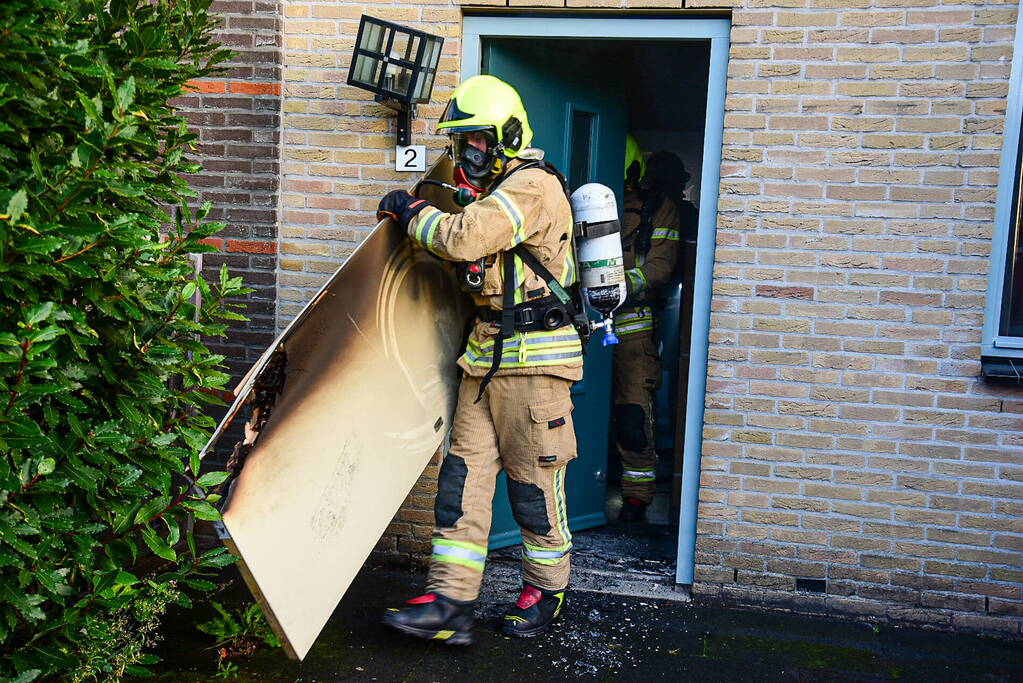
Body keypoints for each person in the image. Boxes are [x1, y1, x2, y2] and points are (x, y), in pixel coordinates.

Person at [375, 75, 580, 645]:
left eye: (478, 143)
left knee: (533, 490)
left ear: (508, 136)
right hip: (483, 358)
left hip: (536, 364)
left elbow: (463, 238)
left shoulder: (532, 186)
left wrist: (410, 209)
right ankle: (450, 604)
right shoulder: (493, 194)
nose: (469, 155)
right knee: (460, 484)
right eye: (461, 144)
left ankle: (546, 589)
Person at [612, 137, 689, 523]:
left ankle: (637, 498)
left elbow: (660, 268)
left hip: (632, 327)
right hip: (576, 325)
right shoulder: (581, 201)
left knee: (631, 417)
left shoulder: (662, 210)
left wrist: (617, 285)